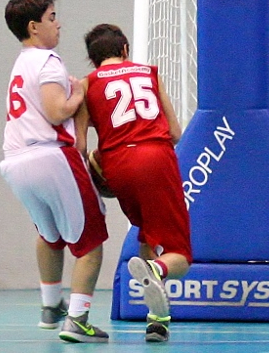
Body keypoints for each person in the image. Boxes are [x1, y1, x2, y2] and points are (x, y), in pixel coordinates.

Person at [1, 0, 109, 344]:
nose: (58, 23)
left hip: (15, 161)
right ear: (34, 27)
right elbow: (55, 111)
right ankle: (77, 319)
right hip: (49, 156)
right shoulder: (48, 61)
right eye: (52, 17)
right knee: (91, 240)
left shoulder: (21, 63)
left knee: (50, 234)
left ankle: (51, 307)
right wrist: (79, 93)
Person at [76, 23, 190, 344]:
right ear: (125, 49)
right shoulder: (148, 73)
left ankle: (157, 320)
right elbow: (176, 133)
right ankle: (157, 271)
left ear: (93, 60)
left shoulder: (87, 85)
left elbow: (81, 146)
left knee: (145, 234)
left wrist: (95, 175)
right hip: (155, 156)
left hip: (115, 164)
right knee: (179, 255)